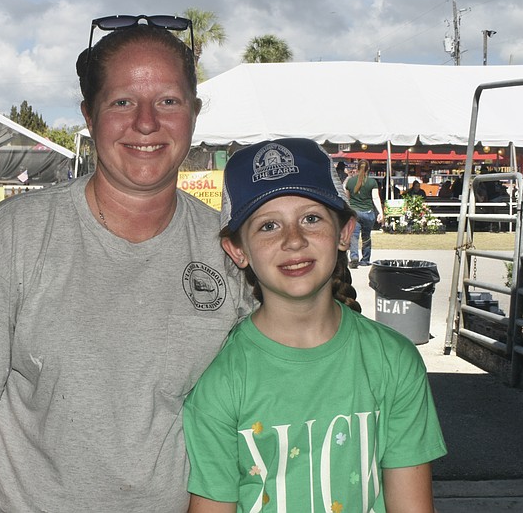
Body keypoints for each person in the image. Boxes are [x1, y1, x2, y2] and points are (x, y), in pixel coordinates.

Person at [0, 17, 253, 512]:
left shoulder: (230, 251)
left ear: (194, 113)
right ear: (90, 115)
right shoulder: (16, 235)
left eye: (169, 100)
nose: (146, 122)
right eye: (122, 101)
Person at [183, 138, 447, 512]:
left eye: (311, 218)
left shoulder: (393, 361)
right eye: (268, 225)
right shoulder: (221, 384)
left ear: (344, 232)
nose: (294, 240)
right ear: (237, 250)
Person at [343, 159, 384, 268]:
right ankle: (365, 259)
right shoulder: (372, 182)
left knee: (354, 236)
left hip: (354, 212)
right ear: (368, 169)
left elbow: (347, 199)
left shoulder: (350, 182)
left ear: (357, 168)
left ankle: (354, 257)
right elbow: (375, 197)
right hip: (368, 213)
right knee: (366, 236)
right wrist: (381, 212)